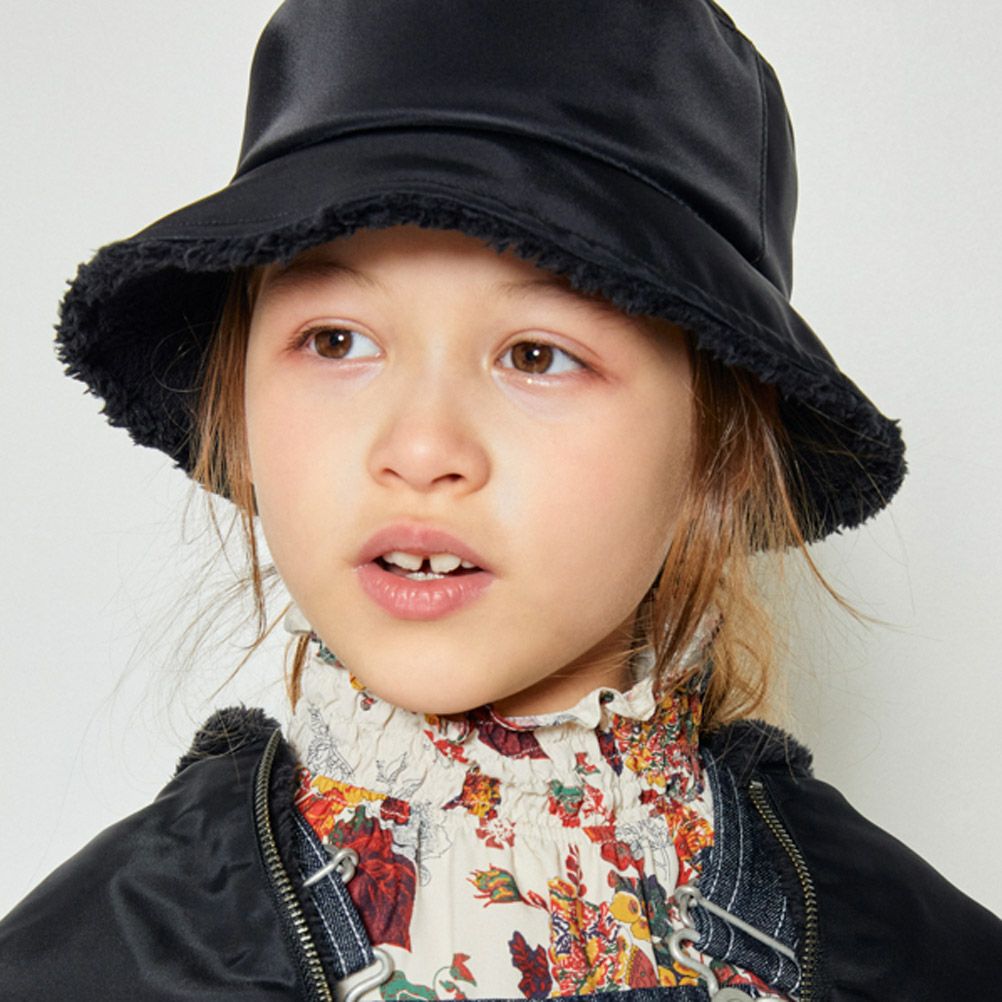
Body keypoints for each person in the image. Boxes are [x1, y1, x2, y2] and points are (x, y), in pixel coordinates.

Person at [1, 1, 999, 999]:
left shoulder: (931, 966)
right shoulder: (79, 967)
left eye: (536, 356)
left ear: (719, 445)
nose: (420, 449)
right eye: (337, 341)